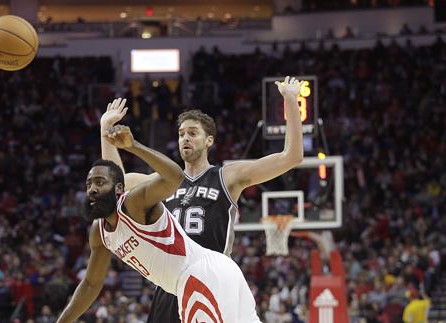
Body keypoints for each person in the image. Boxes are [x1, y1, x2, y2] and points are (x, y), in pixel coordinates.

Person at [99, 76, 304, 322]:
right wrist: (105, 129)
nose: (185, 138)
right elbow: (114, 186)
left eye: (193, 133)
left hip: (211, 280)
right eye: (181, 133)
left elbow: (291, 157)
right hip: (170, 284)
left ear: (209, 141)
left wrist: (291, 101)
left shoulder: (227, 176)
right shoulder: (162, 181)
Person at [56, 125, 261, 323]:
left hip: (199, 275)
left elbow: (174, 177)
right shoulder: (99, 232)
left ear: (119, 189)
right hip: (216, 271)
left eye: (100, 182)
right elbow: (91, 284)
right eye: (89, 184)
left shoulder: (133, 203)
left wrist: (133, 146)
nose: (92, 189)